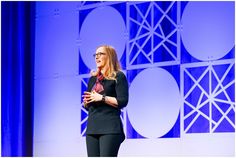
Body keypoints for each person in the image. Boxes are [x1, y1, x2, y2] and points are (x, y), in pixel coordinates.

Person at [82, 45, 129, 157]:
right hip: (92, 128)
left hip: (110, 127)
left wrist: (102, 98)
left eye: (100, 54)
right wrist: (87, 102)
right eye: (95, 55)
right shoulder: (93, 79)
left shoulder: (118, 76)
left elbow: (123, 101)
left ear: (109, 56)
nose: (97, 57)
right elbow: (88, 104)